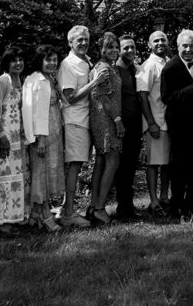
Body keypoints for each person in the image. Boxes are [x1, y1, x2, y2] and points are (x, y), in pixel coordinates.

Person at [57, 25, 107, 227]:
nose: (84, 43)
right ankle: (68, 214)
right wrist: (95, 83)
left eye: (86, 39)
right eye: (79, 40)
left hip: (85, 120)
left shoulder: (84, 61)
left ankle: (66, 208)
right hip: (74, 121)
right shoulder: (68, 64)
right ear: (70, 43)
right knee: (75, 166)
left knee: (77, 166)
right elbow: (70, 97)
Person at [161, 29, 193, 218]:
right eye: (185, 46)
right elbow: (167, 98)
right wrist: (192, 88)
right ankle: (176, 206)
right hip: (179, 124)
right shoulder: (171, 67)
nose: (188, 50)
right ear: (178, 46)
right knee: (179, 166)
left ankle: (190, 202)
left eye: (192, 46)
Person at [22, 45, 66, 232]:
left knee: (47, 174)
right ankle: (46, 216)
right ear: (40, 60)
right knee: (40, 174)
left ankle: (35, 215)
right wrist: (39, 139)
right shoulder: (37, 80)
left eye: (55, 59)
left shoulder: (48, 78)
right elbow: (37, 112)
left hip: (53, 131)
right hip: (43, 134)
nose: (52, 63)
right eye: (48, 59)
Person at [0, 48, 29, 233]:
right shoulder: (2, 81)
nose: (18, 63)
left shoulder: (20, 80)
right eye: (14, 60)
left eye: (21, 59)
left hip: (18, 139)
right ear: (6, 63)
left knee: (15, 179)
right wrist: (2, 138)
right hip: (3, 138)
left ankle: (14, 217)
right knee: (1, 178)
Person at [88, 32, 124, 225]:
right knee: (113, 160)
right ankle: (100, 208)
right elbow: (103, 97)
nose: (115, 50)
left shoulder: (109, 67)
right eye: (110, 47)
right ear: (102, 49)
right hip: (105, 119)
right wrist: (118, 120)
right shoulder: (103, 68)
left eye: (116, 47)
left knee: (101, 163)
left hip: (105, 118)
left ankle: (94, 206)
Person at [137, 30, 171, 216]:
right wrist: (151, 123)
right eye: (156, 40)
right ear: (150, 44)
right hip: (156, 122)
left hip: (169, 121)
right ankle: (153, 201)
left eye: (163, 40)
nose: (160, 43)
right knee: (154, 163)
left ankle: (165, 197)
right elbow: (142, 96)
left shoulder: (168, 62)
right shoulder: (149, 66)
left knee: (167, 163)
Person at [112, 34, 144, 221]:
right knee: (122, 169)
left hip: (136, 125)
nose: (130, 51)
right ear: (119, 50)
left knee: (131, 167)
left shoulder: (135, 69)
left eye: (132, 47)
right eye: (126, 48)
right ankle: (123, 209)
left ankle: (128, 207)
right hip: (122, 126)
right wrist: (118, 122)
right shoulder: (115, 71)